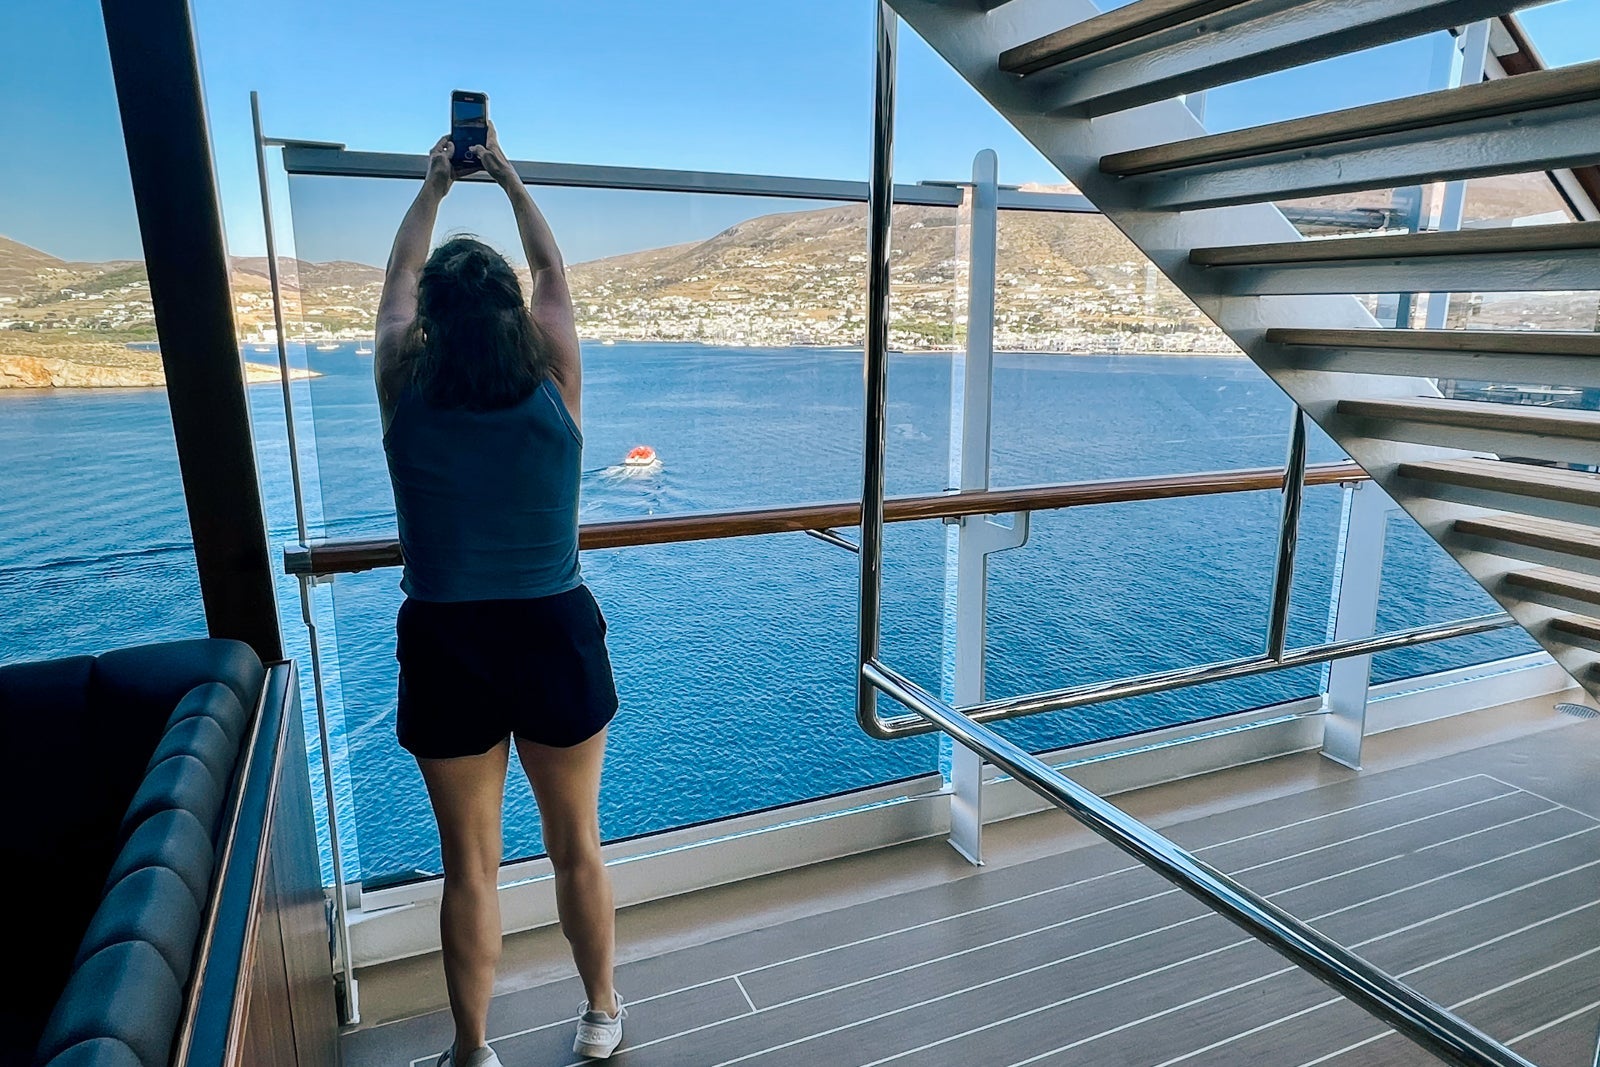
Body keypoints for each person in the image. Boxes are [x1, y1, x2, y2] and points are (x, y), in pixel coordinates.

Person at [375, 123, 625, 1065]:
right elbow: (552, 270)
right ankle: (600, 1014)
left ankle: (473, 1048)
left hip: (447, 642)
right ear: (515, 312)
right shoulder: (555, 379)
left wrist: (433, 188)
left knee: (469, 869)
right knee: (577, 846)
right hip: (553, 631)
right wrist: (511, 181)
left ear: (432, 321)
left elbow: (396, 279)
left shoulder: (403, 386)